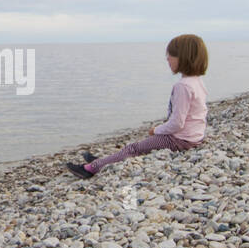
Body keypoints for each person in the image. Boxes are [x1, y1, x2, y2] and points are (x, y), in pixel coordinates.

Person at [67, 34, 208, 178]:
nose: (167, 59)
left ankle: (90, 168)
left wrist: (157, 130)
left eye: (171, 55)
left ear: (183, 58)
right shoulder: (197, 82)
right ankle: (103, 161)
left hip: (179, 140)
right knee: (139, 146)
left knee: (133, 148)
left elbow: (177, 123)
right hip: (193, 137)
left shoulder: (182, 86)